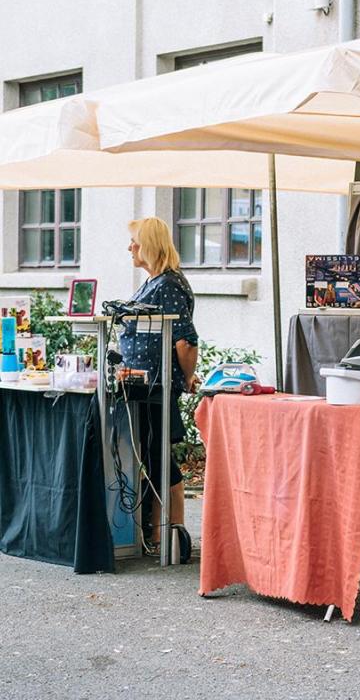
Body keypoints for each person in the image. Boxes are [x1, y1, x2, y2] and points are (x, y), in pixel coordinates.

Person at [120, 217, 200, 562]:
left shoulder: (167, 284)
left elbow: (185, 341)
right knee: (153, 456)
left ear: (149, 245)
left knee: (159, 458)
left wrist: (187, 377)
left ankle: (173, 535)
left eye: (135, 242)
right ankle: (156, 533)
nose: (130, 248)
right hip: (144, 383)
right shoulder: (154, 281)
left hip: (157, 384)